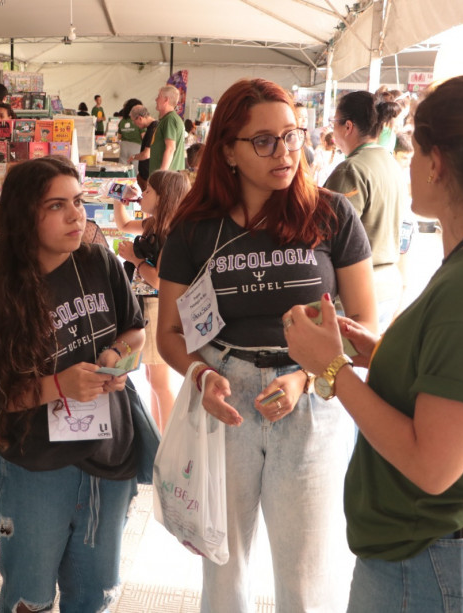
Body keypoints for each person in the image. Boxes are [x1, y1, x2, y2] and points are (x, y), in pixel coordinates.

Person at [284, 73, 463, 613]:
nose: (406, 161)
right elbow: (462, 383)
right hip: (446, 544)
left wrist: (332, 370)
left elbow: (433, 464)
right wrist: (381, 353)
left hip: (428, 555)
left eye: (414, 147)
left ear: (437, 162)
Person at [157, 78, 377, 613]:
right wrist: (203, 377)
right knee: (224, 571)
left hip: (309, 401)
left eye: (291, 136)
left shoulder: (330, 214)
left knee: (304, 578)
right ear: (228, 151)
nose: (283, 152)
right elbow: (169, 333)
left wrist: (307, 375)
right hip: (224, 400)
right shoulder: (194, 229)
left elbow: (367, 318)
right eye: (263, 141)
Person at [0, 155, 146, 613]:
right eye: (57, 206)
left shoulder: (98, 261)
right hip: (36, 466)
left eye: (78, 202)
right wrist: (56, 386)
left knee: (95, 593)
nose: (76, 215)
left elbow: (135, 329)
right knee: (30, 597)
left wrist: (115, 357)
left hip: (108, 456)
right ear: (26, 217)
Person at [114, 170, 190, 431]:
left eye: (148, 191)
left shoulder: (168, 232)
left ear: (163, 197)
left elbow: (159, 280)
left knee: (159, 380)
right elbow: (123, 225)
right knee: (152, 377)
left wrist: (134, 259)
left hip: (159, 307)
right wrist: (118, 200)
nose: (142, 194)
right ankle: (160, 434)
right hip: (148, 304)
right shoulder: (153, 224)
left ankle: (165, 439)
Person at [325, 90, 406, 330]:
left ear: (347, 127)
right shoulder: (391, 163)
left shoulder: (351, 170)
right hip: (388, 286)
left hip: (357, 292)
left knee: (339, 366)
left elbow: (330, 236)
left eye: (334, 123)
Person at [150, 85, 187, 176]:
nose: (156, 99)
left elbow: (170, 148)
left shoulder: (169, 119)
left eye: (159, 96)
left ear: (166, 100)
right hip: (168, 174)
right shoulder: (168, 119)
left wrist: (161, 174)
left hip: (166, 176)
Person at [127, 104, 157, 186]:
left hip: (148, 176)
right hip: (144, 174)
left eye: (134, 121)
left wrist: (133, 157)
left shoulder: (153, 129)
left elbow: (146, 154)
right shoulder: (150, 128)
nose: (134, 123)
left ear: (140, 118)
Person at [117, 98, 144, 172]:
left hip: (124, 147)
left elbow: (119, 137)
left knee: (123, 170)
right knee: (136, 171)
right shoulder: (138, 120)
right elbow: (144, 136)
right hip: (136, 147)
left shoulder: (122, 121)